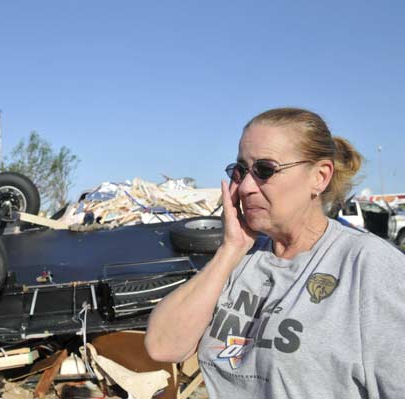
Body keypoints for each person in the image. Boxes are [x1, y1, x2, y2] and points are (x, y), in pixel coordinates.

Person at [145, 108, 405, 398]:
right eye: (240, 171)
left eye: (265, 170)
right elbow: (163, 346)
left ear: (319, 177)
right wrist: (231, 250)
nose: (245, 187)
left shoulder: (367, 265)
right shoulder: (242, 258)